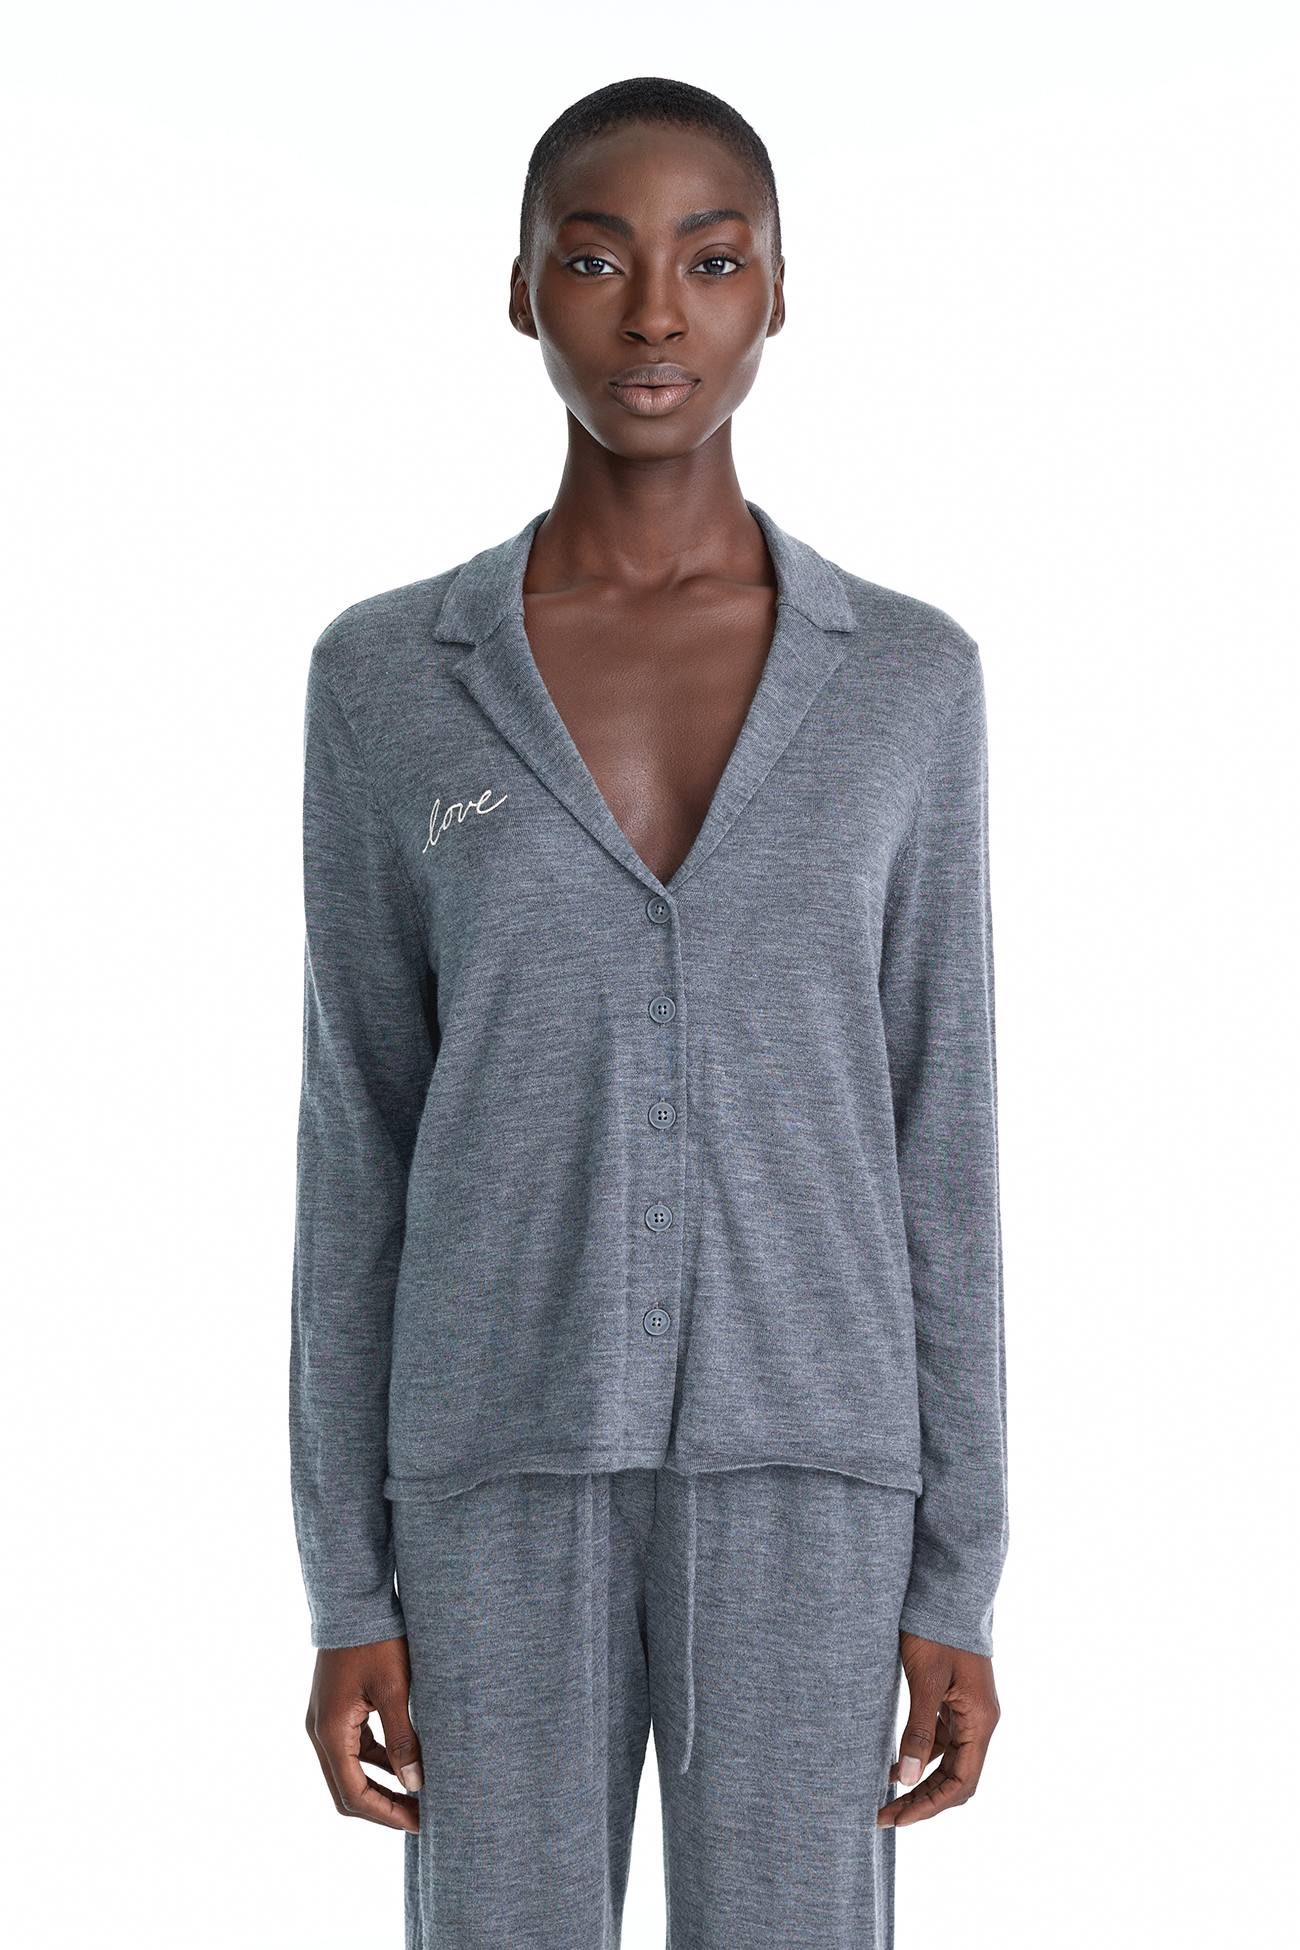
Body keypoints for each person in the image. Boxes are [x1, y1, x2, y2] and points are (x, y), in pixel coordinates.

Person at [290, 74, 1007, 1950]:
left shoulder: (908, 682)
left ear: (779, 290)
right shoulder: (388, 679)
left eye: (714, 258)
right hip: (490, 1467)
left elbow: (942, 1127)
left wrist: (959, 1567)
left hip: (814, 1470)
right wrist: (345, 1580)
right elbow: (357, 1137)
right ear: (522, 287)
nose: (657, 313)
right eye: (599, 260)